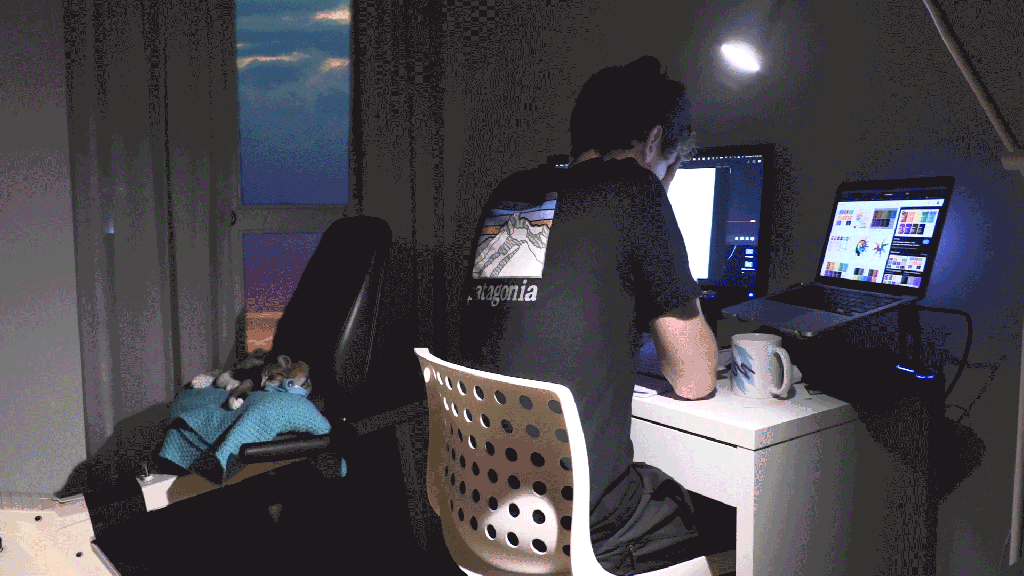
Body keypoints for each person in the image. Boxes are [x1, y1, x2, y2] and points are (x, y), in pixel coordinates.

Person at [450, 55, 724, 575]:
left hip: (483, 505)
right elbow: (694, 379)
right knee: (712, 517)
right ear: (653, 143)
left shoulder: (512, 194)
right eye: (672, 166)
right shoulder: (635, 188)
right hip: (579, 528)